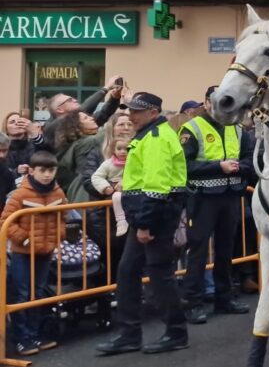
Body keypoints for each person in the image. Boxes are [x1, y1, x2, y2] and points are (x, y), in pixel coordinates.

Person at [96, 92, 189, 356]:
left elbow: (156, 187)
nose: (131, 116)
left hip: (155, 215)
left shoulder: (157, 138)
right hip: (146, 214)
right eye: (129, 110)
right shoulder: (148, 135)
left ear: (153, 113)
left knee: (159, 276)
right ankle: (129, 334)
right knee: (128, 273)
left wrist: (146, 225)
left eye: (137, 111)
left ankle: (176, 332)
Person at [178, 86, 256, 324]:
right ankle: (193, 303)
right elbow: (183, 167)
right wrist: (217, 166)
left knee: (226, 250)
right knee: (198, 251)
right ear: (207, 103)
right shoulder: (192, 128)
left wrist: (238, 167)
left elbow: (250, 158)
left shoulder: (238, 129)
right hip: (202, 198)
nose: (223, 106)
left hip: (230, 196)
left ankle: (224, 298)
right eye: (218, 102)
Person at [0, 150, 66, 356]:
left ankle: (34, 333)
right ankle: (22, 337)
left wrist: (58, 237)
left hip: (45, 251)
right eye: (42, 170)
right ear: (32, 171)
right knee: (21, 294)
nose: (47, 175)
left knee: (38, 293)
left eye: (51, 170)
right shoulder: (20, 194)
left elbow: (64, 217)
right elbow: (6, 221)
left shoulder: (58, 193)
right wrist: (25, 239)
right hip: (23, 252)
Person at [91, 137, 131, 236]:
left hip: (132, 188)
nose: (123, 152)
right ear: (113, 150)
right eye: (119, 149)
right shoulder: (108, 164)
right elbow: (96, 176)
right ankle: (121, 221)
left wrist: (125, 181)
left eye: (126, 149)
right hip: (115, 190)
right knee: (117, 197)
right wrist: (105, 187)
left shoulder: (135, 162)